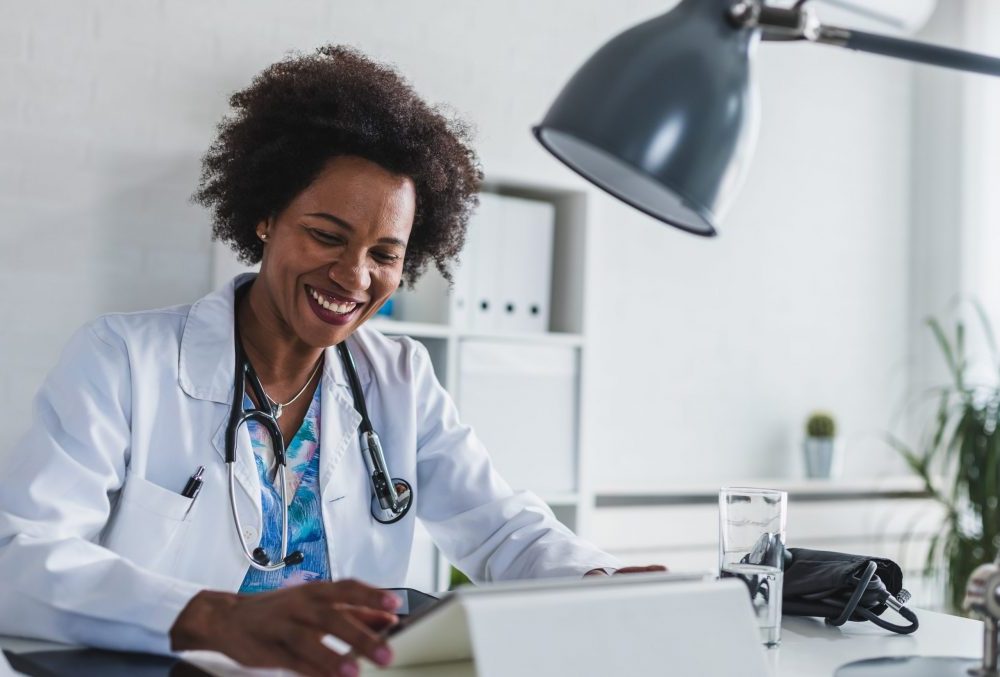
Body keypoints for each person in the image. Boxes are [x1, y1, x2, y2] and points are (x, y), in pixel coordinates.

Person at [0, 45, 662, 676]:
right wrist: (212, 616)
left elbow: (498, 527)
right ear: (266, 217)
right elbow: (19, 557)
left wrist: (598, 579)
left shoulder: (398, 376)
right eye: (326, 235)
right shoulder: (123, 361)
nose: (354, 276)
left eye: (385, 254)